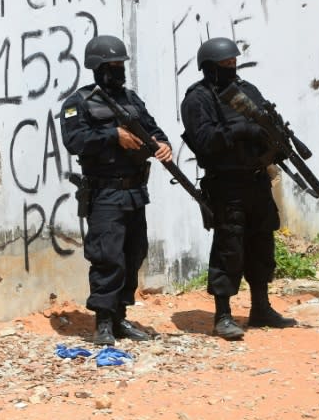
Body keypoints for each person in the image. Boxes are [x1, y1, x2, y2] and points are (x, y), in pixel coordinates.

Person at [180, 37, 297, 340]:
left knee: (261, 245)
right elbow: (204, 139)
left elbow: (268, 122)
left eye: (233, 62)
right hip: (226, 183)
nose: (231, 67)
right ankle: (223, 316)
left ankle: (261, 308)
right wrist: (241, 129)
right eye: (224, 64)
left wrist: (275, 137)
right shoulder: (198, 98)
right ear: (208, 68)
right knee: (228, 248)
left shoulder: (248, 91)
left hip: (257, 180)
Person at [60, 35, 172, 345]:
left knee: (133, 254)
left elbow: (153, 129)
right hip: (105, 192)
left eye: (120, 65)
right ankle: (104, 323)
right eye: (111, 66)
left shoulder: (131, 100)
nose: (117, 71)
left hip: (135, 191)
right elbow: (75, 141)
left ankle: (121, 316)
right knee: (107, 256)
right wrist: (113, 135)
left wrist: (163, 145)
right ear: (96, 68)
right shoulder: (78, 103)